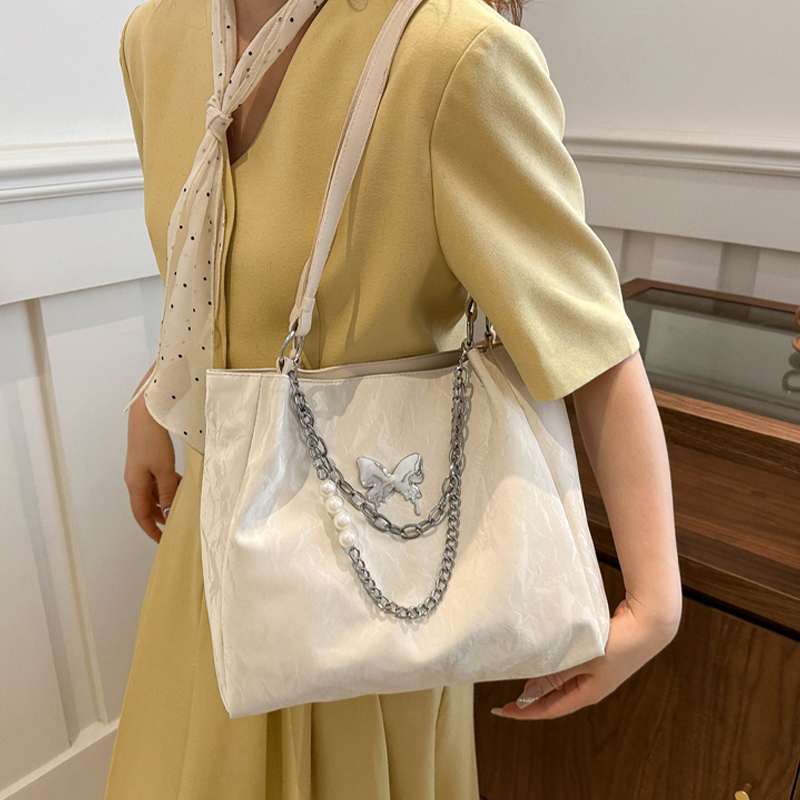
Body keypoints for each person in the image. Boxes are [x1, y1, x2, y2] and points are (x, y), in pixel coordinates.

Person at [106, 0, 683, 795]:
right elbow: (208, 272)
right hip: (207, 548)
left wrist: (655, 602)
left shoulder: (450, 53)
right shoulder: (154, 36)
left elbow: (588, 344)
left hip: (369, 582)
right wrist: (153, 402)